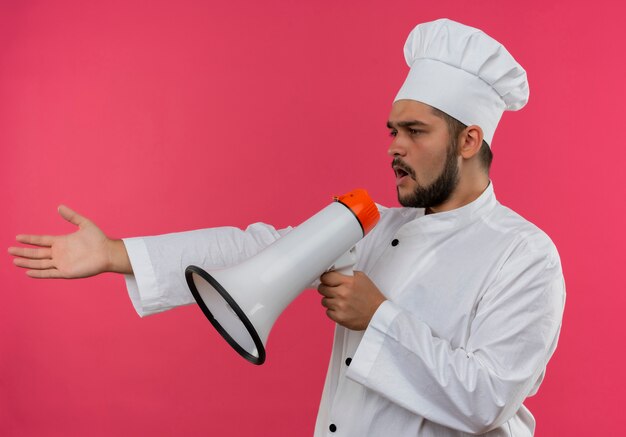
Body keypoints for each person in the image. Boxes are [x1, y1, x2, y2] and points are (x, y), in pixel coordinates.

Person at [8, 18, 565, 436]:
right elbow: (258, 249)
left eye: (415, 131)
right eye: (392, 130)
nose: (394, 147)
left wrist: (378, 317)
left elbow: (489, 397)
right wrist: (114, 253)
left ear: (469, 141)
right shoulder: (373, 227)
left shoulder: (524, 255)